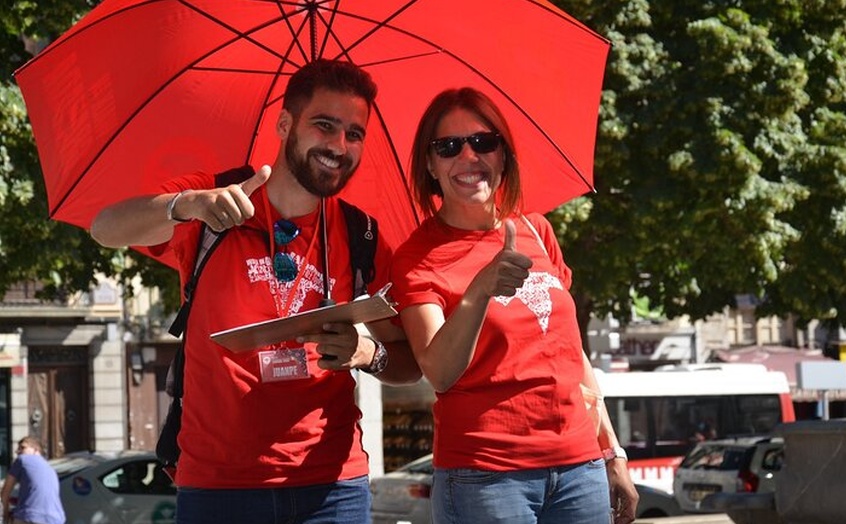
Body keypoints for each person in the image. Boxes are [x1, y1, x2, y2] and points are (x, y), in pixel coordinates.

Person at [90, 59, 421, 524]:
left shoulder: (359, 233)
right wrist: (186, 205)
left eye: (354, 133)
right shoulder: (215, 200)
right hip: (219, 486)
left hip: (332, 486)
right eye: (324, 125)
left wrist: (366, 352)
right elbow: (105, 228)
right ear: (285, 124)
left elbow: (410, 359)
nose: (339, 145)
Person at [390, 87, 639, 524]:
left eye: (483, 142)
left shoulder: (537, 229)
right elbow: (439, 371)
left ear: (503, 155)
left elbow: (571, 353)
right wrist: (479, 290)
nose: (469, 156)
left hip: (579, 470)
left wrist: (612, 450)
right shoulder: (417, 256)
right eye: (448, 147)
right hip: (485, 478)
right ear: (429, 165)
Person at [0, 436, 65, 524]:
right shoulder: (51, 469)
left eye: (22, 447)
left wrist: (5, 518)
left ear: (36, 450)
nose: (17, 451)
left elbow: (5, 492)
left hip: (29, 516)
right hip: (56, 518)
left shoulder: (22, 459)